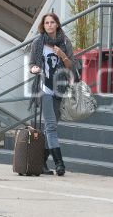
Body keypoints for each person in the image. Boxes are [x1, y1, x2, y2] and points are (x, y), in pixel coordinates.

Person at [29, 13, 74, 176]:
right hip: (44, 89)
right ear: (43, 25)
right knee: (51, 126)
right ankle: (59, 163)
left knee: (51, 128)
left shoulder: (65, 42)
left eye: (52, 22)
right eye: (46, 22)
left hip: (59, 89)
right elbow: (32, 64)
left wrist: (61, 55)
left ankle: (41, 163)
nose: (49, 25)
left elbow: (70, 66)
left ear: (57, 25)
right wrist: (34, 69)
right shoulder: (38, 42)